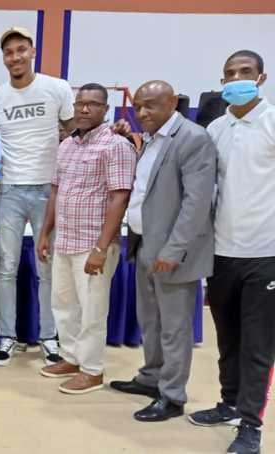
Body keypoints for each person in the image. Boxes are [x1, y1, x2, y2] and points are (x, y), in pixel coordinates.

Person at [109, 80, 217, 423]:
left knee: (174, 327)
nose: (143, 113)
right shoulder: (152, 138)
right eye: (139, 106)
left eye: (151, 106)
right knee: (151, 320)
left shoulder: (192, 138)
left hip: (172, 252)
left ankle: (171, 396)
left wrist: (174, 249)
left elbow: (196, 203)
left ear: (172, 102)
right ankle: (150, 377)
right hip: (143, 244)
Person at [188, 50, 274, 454]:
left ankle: (251, 427)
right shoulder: (216, 128)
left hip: (266, 253)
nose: (236, 78)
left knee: (258, 345)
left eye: (245, 72)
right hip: (221, 252)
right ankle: (230, 403)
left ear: (262, 77)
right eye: (229, 74)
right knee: (228, 337)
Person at [36, 84, 136, 394]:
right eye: (80, 103)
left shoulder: (116, 146)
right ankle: (71, 357)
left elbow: (120, 198)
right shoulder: (66, 146)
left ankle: (92, 370)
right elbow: (56, 191)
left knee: (92, 310)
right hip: (64, 240)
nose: (83, 109)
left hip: (93, 244)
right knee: (63, 304)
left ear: (105, 110)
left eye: (92, 104)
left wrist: (101, 248)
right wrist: (44, 233)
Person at [0, 26, 75, 367]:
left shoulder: (57, 88)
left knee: (46, 267)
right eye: (9, 52)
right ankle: (7, 336)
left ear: (32, 51)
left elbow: (72, 131)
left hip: (48, 191)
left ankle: (49, 337)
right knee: (6, 267)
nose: (15, 57)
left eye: (21, 49)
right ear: (4, 58)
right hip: (8, 190)